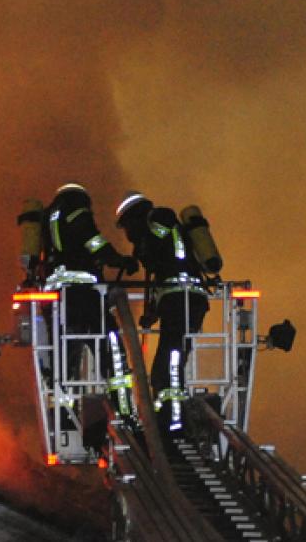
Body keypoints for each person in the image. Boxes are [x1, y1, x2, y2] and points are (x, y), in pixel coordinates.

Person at [115, 191, 210, 433]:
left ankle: (173, 421)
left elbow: (169, 247)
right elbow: (166, 276)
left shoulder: (160, 216)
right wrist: (153, 314)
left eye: (127, 226)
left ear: (134, 217)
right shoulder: (158, 243)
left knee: (170, 360)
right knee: (167, 359)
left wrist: (142, 248)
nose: (128, 234)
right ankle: (169, 416)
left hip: (184, 298)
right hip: (179, 299)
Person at [41, 183, 138, 385]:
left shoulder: (49, 218)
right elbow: (93, 242)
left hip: (57, 300)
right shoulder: (75, 208)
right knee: (111, 349)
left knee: (64, 361)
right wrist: (119, 260)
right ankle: (125, 411)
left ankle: (61, 410)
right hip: (82, 295)